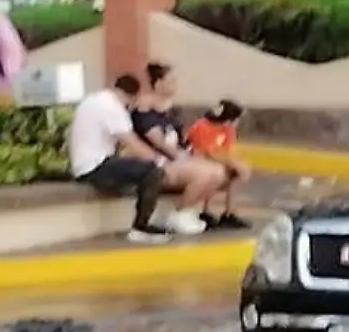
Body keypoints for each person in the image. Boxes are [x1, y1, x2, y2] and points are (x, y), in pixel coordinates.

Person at [68, 74, 216, 241]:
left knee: (140, 168)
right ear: (131, 97)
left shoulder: (93, 100)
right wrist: (162, 162)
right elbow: (133, 143)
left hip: (85, 166)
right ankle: (141, 227)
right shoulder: (112, 107)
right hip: (96, 168)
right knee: (153, 172)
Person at [185, 99, 253, 230]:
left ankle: (229, 213)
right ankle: (203, 210)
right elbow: (203, 152)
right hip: (195, 161)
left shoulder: (228, 130)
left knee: (236, 174)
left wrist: (237, 164)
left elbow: (226, 151)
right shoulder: (202, 127)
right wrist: (232, 163)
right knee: (215, 173)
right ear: (229, 120)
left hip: (214, 160)